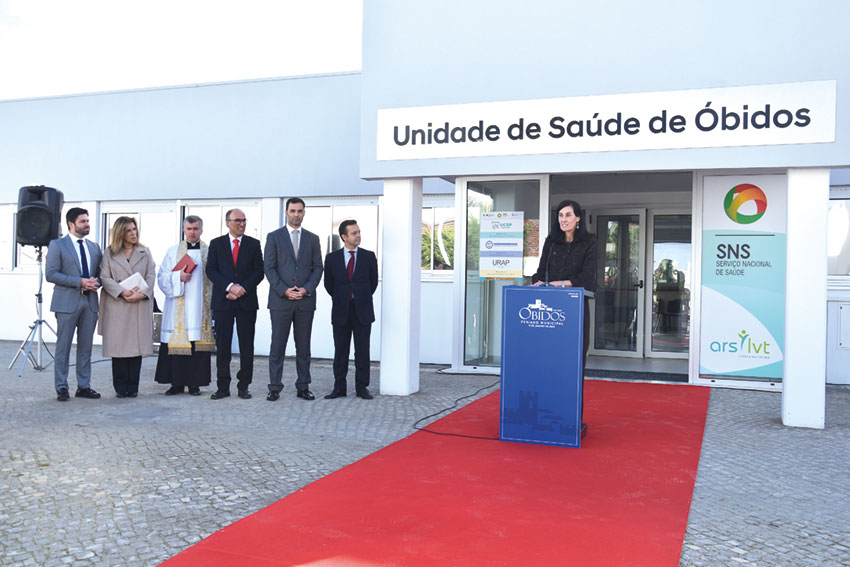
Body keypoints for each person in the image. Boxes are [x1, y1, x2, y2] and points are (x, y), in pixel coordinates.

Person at [264, 197, 323, 401]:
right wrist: (284, 290)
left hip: (305, 301)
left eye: (299, 211)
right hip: (281, 301)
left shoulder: (312, 239)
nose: (296, 214)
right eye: (292, 211)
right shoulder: (274, 237)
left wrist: (306, 290)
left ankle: (303, 386)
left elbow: (318, 268)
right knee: (277, 346)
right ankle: (274, 387)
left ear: (304, 212)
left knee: (303, 346)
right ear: (286, 212)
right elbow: (269, 268)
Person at [532, 199, 598, 377]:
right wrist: (538, 282)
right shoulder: (552, 241)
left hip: (574, 306)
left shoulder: (589, 242)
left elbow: (588, 277)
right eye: (560, 215)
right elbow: (540, 271)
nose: (563, 219)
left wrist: (561, 283)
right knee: (550, 355)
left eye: (568, 215)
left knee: (573, 356)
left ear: (578, 218)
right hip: (549, 306)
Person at [205, 208, 264, 400]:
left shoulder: (253, 244)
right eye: (238, 220)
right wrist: (230, 287)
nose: (242, 224)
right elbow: (211, 270)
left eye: (244, 220)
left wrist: (241, 289)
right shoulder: (217, 244)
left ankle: (244, 385)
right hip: (224, 302)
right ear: (227, 222)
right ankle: (223, 386)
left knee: (247, 345)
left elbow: (259, 272)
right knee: (223, 345)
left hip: (246, 302)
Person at [45, 207, 103, 401]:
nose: (87, 225)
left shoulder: (94, 247)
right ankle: (61, 387)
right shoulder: (57, 245)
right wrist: (79, 282)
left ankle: (84, 386)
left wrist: (96, 283)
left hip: (90, 302)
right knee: (64, 346)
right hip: (67, 303)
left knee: (86, 347)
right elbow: (51, 274)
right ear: (71, 224)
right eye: (83, 221)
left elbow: (101, 274)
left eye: (88, 221)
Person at [154, 215, 214, 395]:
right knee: (177, 344)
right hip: (178, 306)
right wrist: (177, 277)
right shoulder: (173, 252)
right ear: (183, 230)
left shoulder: (209, 252)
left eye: (196, 229)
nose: (192, 232)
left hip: (199, 308)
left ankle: (194, 383)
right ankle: (176, 383)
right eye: (189, 229)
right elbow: (162, 276)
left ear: (201, 230)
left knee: (196, 343)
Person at [97, 216, 155, 398]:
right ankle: (120, 387)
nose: (133, 233)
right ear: (120, 233)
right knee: (119, 347)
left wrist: (143, 293)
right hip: (118, 305)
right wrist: (121, 291)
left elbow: (151, 275)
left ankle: (133, 386)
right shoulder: (109, 253)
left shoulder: (144, 252)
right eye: (129, 230)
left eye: (134, 229)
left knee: (135, 348)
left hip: (138, 304)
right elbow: (104, 277)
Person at [323, 220, 379, 399]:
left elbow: (373, 283)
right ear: (344, 236)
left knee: (362, 350)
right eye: (354, 233)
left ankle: (362, 387)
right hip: (341, 310)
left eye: (359, 232)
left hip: (362, 310)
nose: (358, 235)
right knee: (341, 351)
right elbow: (328, 284)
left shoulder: (369, 256)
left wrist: (358, 296)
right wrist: (343, 297)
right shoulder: (332, 258)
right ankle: (339, 387)